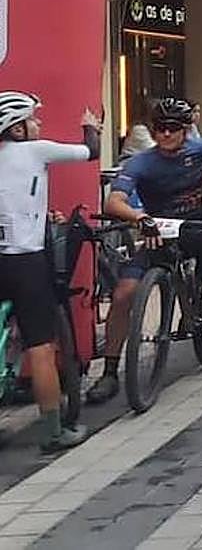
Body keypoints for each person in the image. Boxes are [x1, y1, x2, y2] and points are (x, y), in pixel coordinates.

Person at [89, 98, 202, 403]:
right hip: (158, 234)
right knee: (123, 294)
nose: (166, 134)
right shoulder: (141, 162)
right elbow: (113, 202)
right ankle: (110, 373)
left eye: (173, 128)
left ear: (185, 130)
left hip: (197, 230)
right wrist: (141, 218)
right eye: (159, 129)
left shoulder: (199, 148)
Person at [0, 93, 99, 451]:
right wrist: (91, 126)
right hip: (26, 263)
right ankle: (54, 433)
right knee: (41, 349)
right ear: (17, 129)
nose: (38, 125)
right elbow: (90, 151)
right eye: (32, 120)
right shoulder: (36, 150)